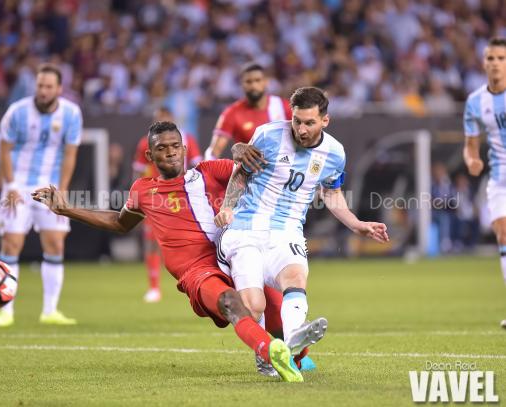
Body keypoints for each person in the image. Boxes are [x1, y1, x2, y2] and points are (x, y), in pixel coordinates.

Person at [32, 121, 317, 382]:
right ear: (149, 156)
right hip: (196, 271)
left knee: (277, 312)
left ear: (184, 148)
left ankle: (295, 355)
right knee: (230, 302)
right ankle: (268, 353)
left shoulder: (208, 172)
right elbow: (120, 223)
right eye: (161, 148)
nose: (169, 153)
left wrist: (240, 148)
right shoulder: (143, 190)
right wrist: (65, 209)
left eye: (174, 146)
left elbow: (252, 171)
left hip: (232, 254)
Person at [214, 87, 389, 356]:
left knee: (296, 276)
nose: (301, 129)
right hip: (247, 227)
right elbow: (241, 174)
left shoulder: (335, 153)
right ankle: (266, 355)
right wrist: (227, 207)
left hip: (288, 230)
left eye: (309, 122)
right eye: (297, 121)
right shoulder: (268, 135)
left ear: (325, 121)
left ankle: (294, 332)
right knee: (255, 305)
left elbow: (331, 193)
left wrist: (356, 224)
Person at [0, 63, 82, 327]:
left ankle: (50, 310)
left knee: (55, 244)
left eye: (48, 86)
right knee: (11, 244)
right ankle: (6, 312)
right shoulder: (17, 112)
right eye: (40, 85)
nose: (43, 91)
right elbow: (4, 150)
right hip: (18, 186)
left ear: (59, 89)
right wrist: (9, 186)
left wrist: (63, 189)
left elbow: (70, 154)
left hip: (50, 188)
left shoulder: (71, 114)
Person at [132, 106, 202, 302]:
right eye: (157, 117)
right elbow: (138, 171)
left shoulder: (187, 139)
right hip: (156, 198)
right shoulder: (144, 144)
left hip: (184, 196)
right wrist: (137, 199)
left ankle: (197, 279)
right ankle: (154, 287)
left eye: (164, 117)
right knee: (152, 243)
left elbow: (198, 166)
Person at [462, 36, 506, 329]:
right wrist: (472, 160)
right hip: (500, 177)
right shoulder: (476, 101)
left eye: (501, 58)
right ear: (483, 62)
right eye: (491, 58)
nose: (495, 64)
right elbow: (470, 144)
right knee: (502, 234)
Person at [204, 63, 292, 160]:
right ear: (242, 84)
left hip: (284, 171)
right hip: (250, 172)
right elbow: (213, 152)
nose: (253, 85)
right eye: (248, 81)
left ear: (266, 82)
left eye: (257, 80)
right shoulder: (232, 113)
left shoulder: (283, 106)